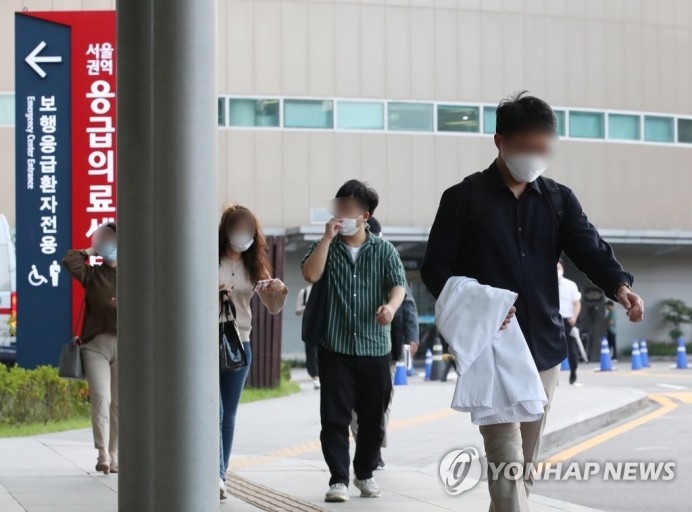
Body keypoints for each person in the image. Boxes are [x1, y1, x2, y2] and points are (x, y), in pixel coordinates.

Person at [420, 92, 644, 512]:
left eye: (543, 148)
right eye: (526, 147)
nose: (535, 156)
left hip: (543, 345)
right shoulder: (463, 199)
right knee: (504, 455)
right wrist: (481, 303)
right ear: (500, 142)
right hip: (491, 348)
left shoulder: (558, 200)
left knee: (524, 463)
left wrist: (620, 287)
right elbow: (436, 269)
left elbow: (590, 249)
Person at [302, 180, 407, 503]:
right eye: (338, 208)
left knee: (373, 418)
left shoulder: (384, 250)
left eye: (348, 210)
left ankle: (364, 473)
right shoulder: (328, 246)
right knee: (334, 416)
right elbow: (310, 274)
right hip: (335, 346)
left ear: (365, 215)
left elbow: (399, 285)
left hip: (375, 346)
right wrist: (326, 237)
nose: (341, 215)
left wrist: (390, 307)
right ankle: (338, 479)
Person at [217, 204, 288, 499]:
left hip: (239, 340)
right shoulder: (209, 258)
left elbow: (272, 309)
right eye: (237, 228)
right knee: (214, 410)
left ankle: (220, 473)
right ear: (226, 230)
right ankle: (214, 473)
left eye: (247, 230)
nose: (242, 235)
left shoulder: (256, 264)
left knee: (229, 414)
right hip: (207, 339)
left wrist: (278, 291)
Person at [349, 217, 419, 470]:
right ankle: (367, 446)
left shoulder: (389, 258)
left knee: (381, 401)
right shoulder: (347, 259)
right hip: (351, 345)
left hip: (387, 345)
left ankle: (374, 448)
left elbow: (407, 303)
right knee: (354, 405)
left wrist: (412, 337)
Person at [63, 223, 119, 474]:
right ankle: (102, 452)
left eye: (112, 239)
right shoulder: (93, 274)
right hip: (95, 345)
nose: (108, 243)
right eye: (104, 238)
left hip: (126, 345)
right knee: (101, 397)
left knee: (119, 402)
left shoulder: (135, 274)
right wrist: (92, 250)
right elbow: (70, 261)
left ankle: (115, 451)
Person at [557, 259, 582, 385]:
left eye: (558, 268)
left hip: (568, 320)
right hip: (551, 320)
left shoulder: (571, 285)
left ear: (563, 269)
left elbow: (576, 303)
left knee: (571, 349)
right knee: (551, 349)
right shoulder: (545, 283)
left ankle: (573, 372)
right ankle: (553, 378)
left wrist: (574, 317)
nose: (556, 271)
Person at [296, 284, 320, 389]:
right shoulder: (304, 292)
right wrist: (309, 306)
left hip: (323, 324)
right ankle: (315, 377)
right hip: (309, 324)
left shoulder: (326, 289)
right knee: (311, 351)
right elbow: (297, 310)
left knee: (324, 351)